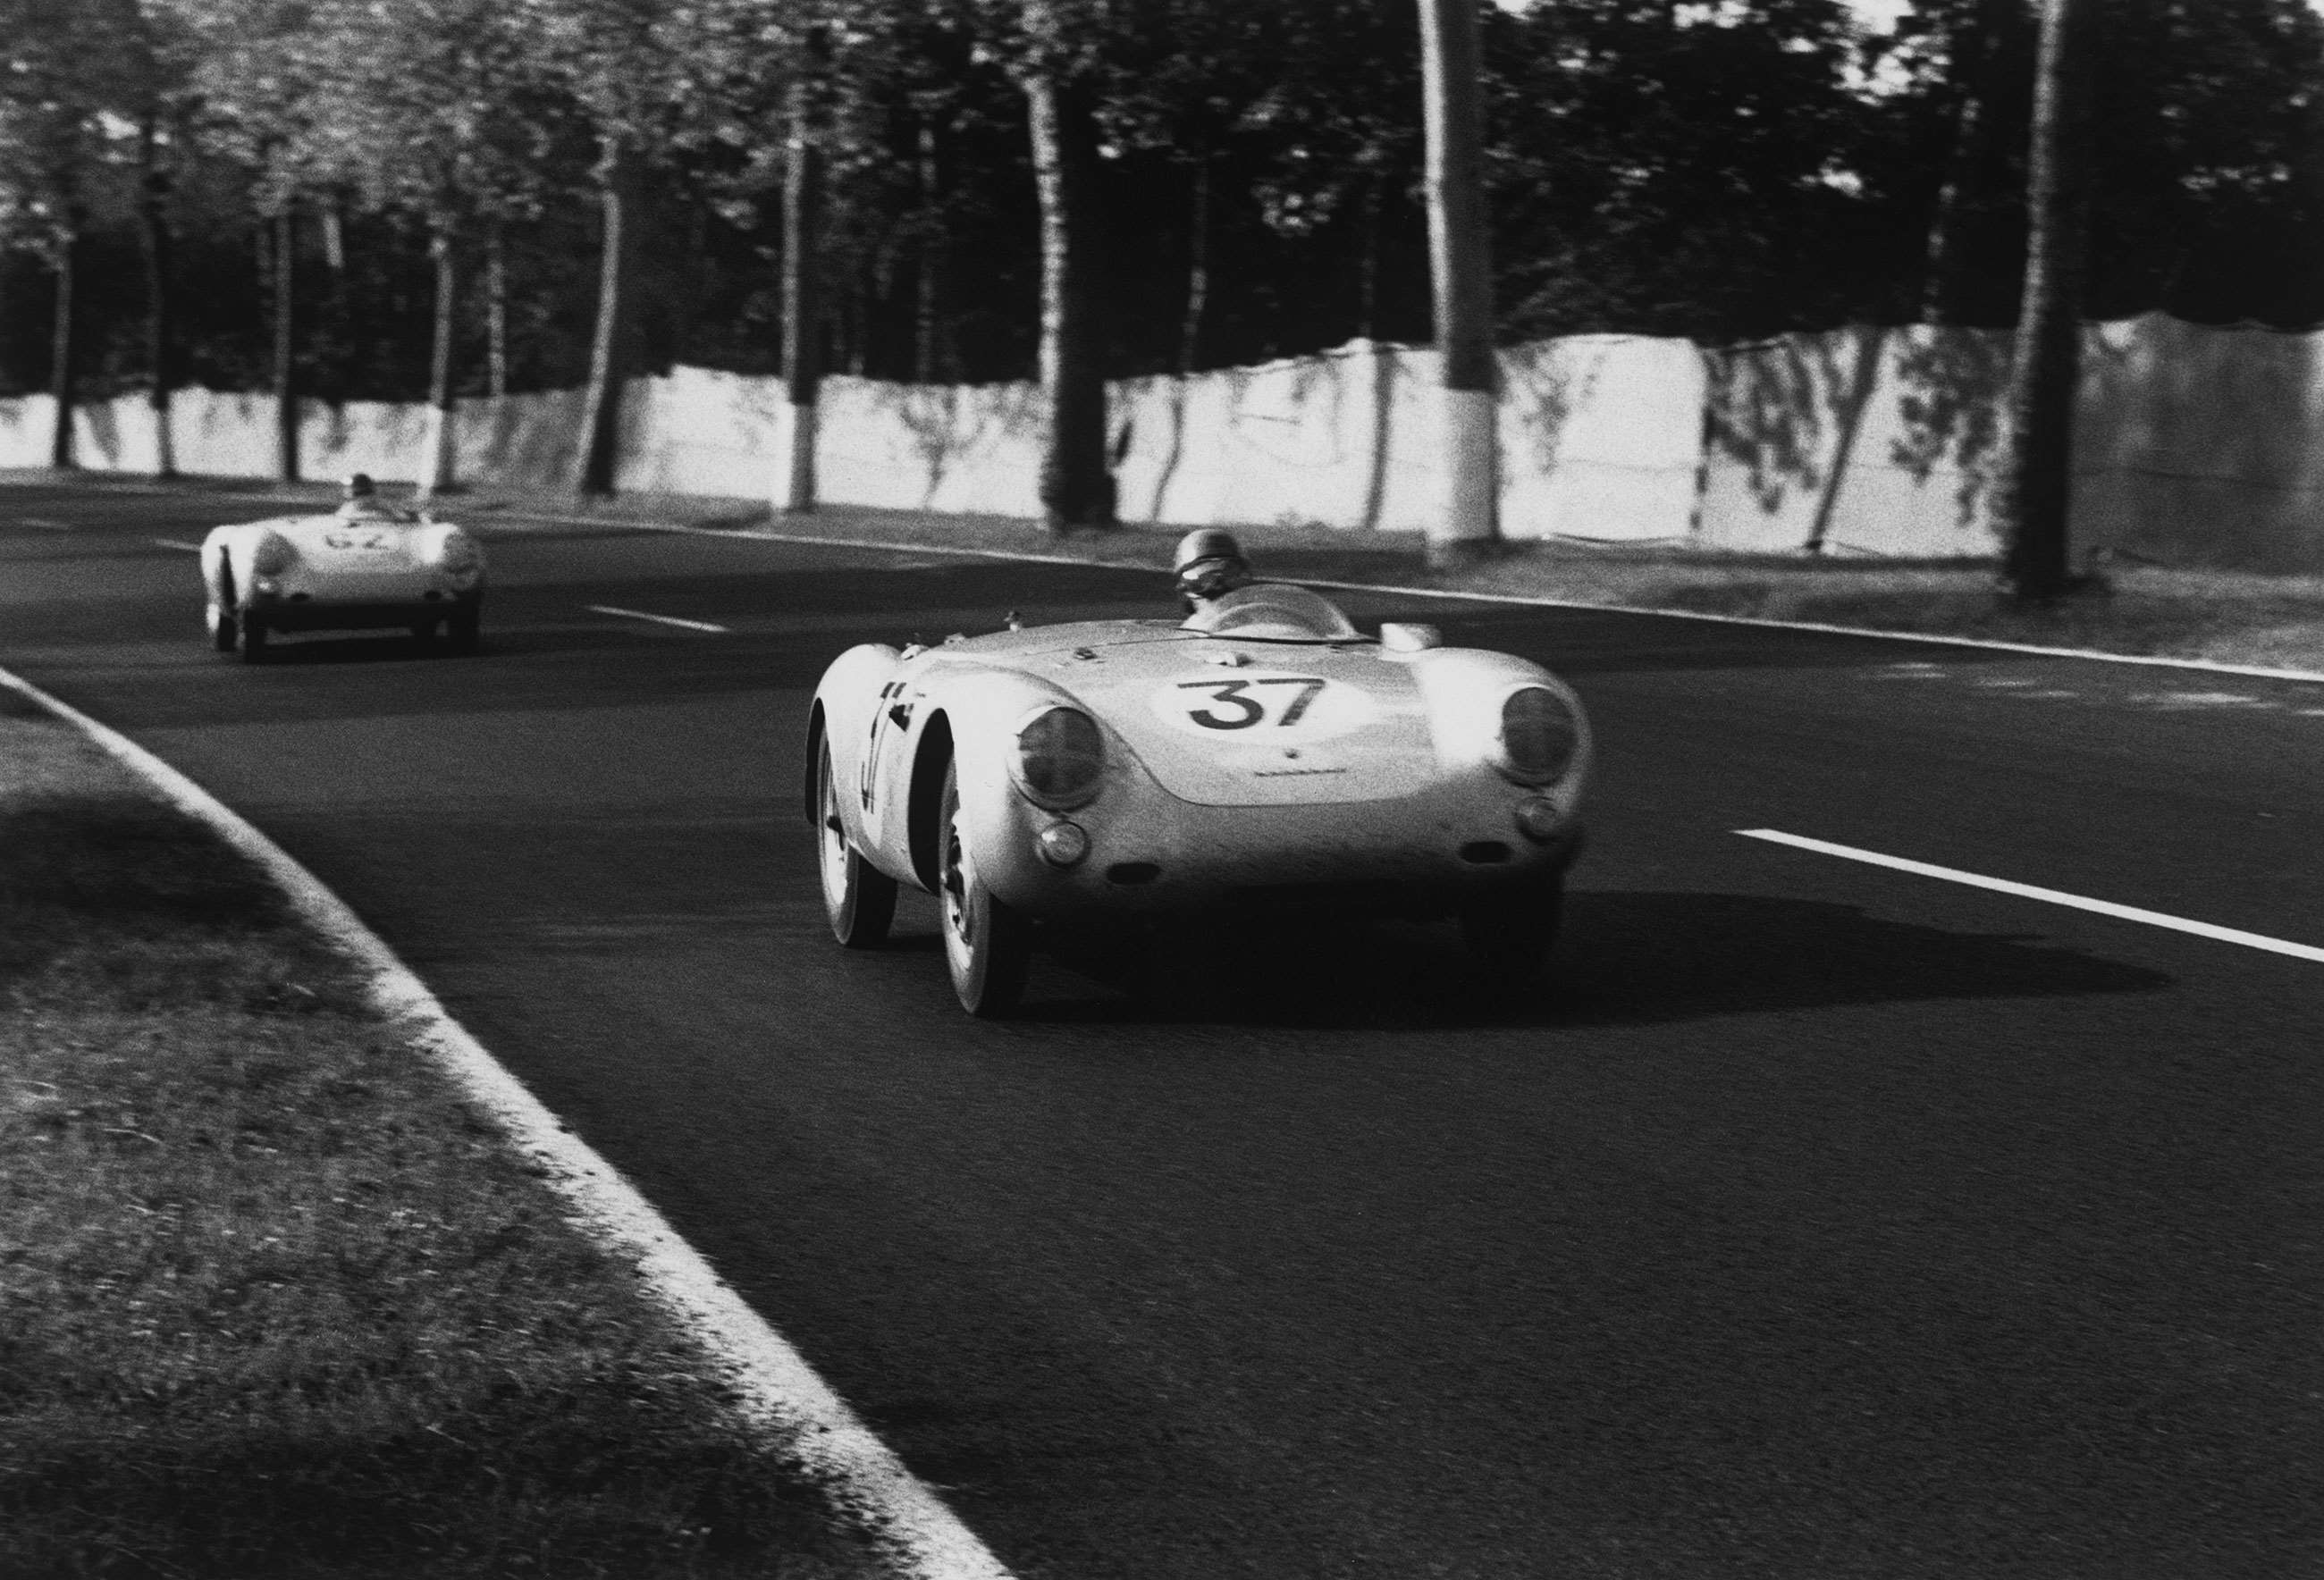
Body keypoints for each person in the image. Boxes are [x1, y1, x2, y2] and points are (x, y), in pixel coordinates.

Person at [1173, 528, 1254, 614]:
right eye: (1203, 580)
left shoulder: (1260, 625)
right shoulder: (1192, 625)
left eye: (1230, 576)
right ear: (1184, 588)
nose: (1219, 587)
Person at [333, 473, 407, 522]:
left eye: (348, 487)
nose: (344, 489)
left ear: (356, 488)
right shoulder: (348, 506)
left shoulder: (351, 507)